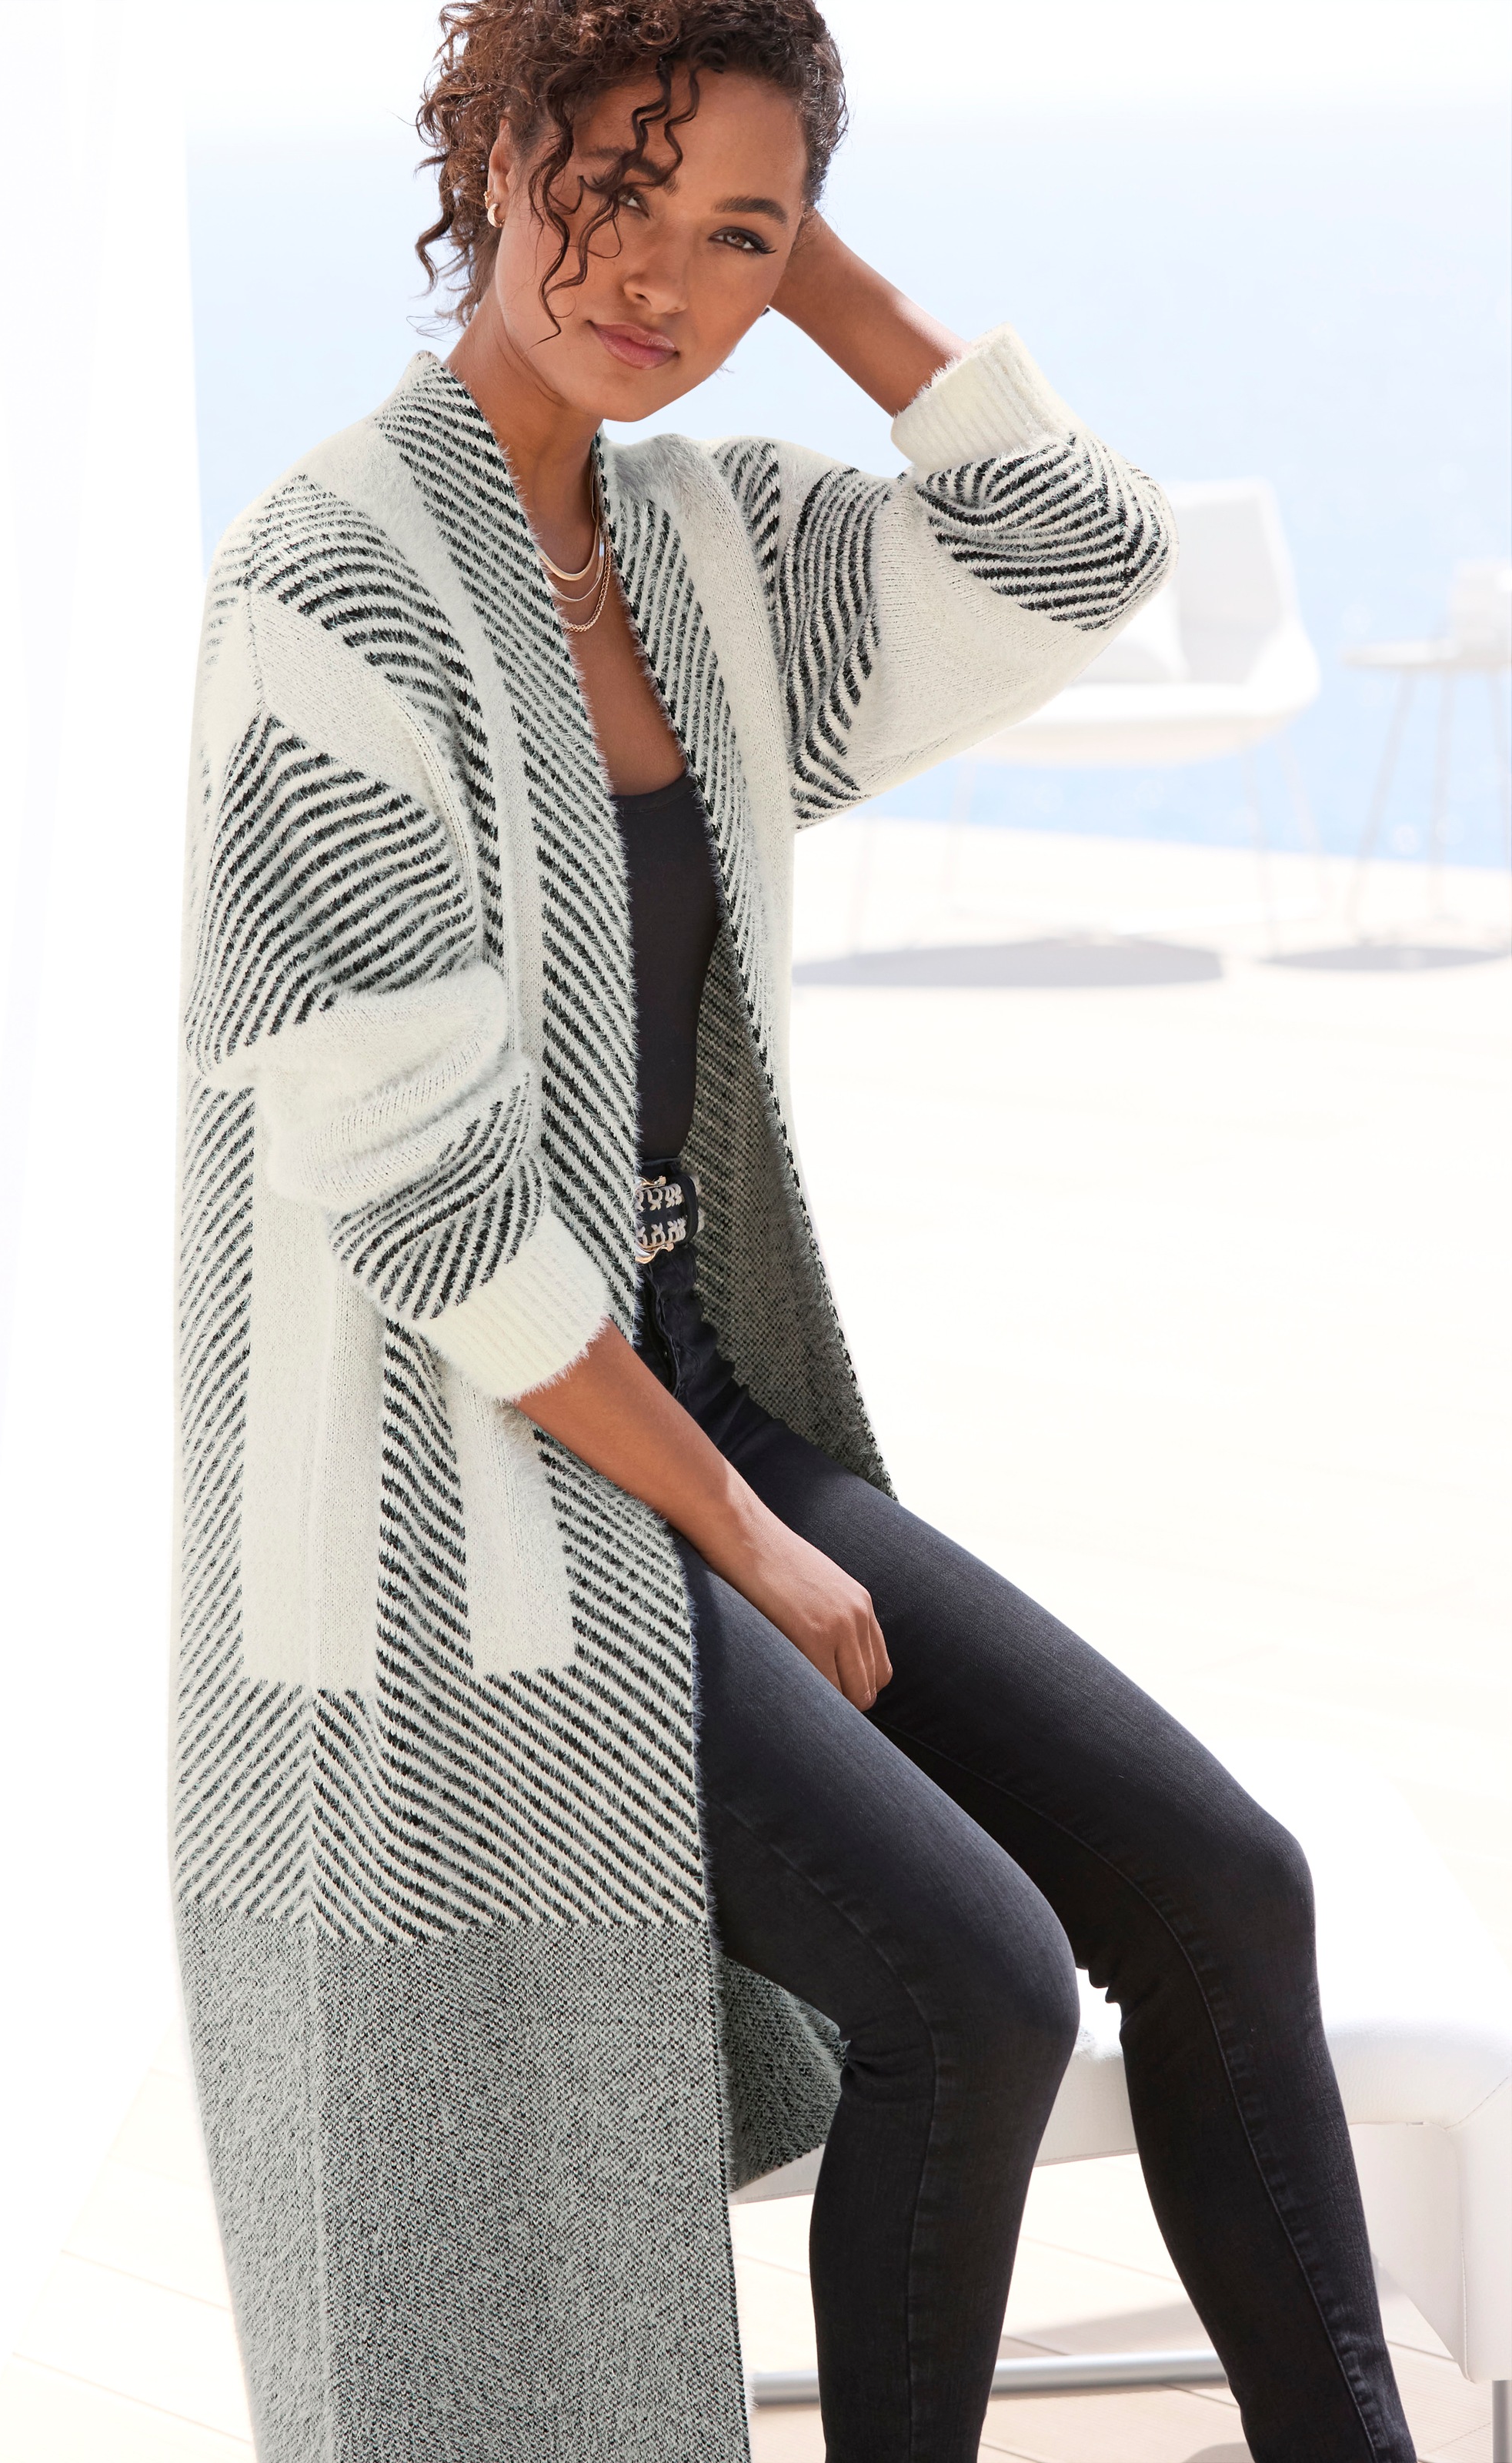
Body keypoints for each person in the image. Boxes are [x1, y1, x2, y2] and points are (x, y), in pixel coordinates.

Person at [174, 4, 1417, 2457]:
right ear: (492, 154)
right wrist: (748, 1539)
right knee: (979, 1989)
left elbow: (1081, 547)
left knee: (1224, 1891)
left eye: (730, 235)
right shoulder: (329, 583)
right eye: (609, 191)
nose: (654, 278)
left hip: (683, 1376)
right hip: (475, 1492)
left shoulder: (703, 548)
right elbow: (419, 1193)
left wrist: (792, 254)